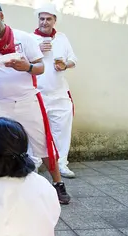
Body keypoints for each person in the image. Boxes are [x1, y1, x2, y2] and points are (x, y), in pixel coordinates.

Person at [0, 0, 71, 206]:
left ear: (1, 16)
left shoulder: (24, 38)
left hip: (28, 100)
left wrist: (26, 66)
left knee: (43, 143)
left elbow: (40, 67)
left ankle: (58, 184)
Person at [32, 3, 78, 178]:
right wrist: (38, 51)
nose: (44, 22)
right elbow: (22, 63)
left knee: (62, 130)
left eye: (48, 19)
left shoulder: (62, 38)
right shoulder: (30, 39)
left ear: (54, 20)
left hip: (60, 93)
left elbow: (73, 59)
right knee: (36, 130)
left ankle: (61, 164)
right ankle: (34, 163)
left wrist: (65, 65)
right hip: (37, 93)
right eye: (41, 18)